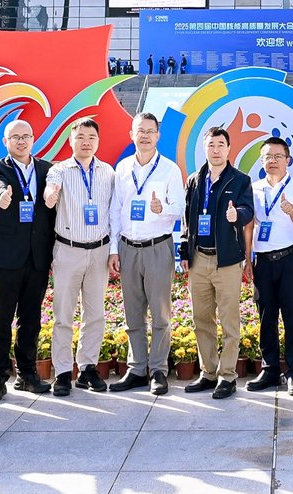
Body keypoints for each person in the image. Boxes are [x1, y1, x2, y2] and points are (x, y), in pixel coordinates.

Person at [108, 112, 185, 395]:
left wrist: (161, 209)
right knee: (133, 314)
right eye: (140, 131)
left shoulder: (169, 170)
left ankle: (159, 370)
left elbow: (180, 209)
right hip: (128, 247)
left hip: (157, 248)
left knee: (160, 314)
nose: (145, 136)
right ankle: (137, 369)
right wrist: (114, 249)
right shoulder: (122, 168)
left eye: (150, 131)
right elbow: (115, 210)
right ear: (132, 134)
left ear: (158, 136)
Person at [0, 119, 55, 401]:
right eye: (15, 137)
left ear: (33, 139)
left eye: (26, 136)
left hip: (37, 258)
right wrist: (1, 195)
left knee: (31, 319)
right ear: (5, 142)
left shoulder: (46, 169)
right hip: (6, 258)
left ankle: (27, 374)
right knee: (1, 319)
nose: (21, 141)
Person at [180, 126, 254, 399]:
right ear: (205, 148)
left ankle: (227, 376)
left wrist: (238, 215)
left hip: (227, 261)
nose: (216, 149)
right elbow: (188, 218)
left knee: (229, 321)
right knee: (202, 319)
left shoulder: (240, 180)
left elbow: (248, 210)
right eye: (211, 145)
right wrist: (185, 252)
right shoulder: (194, 180)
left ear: (229, 148)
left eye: (221, 144)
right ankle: (208, 372)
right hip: (199, 258)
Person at [44, 119, 115, 396]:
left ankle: (87, 368)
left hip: (99, 251)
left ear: (98, 141)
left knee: (95, 314)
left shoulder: (107, 172)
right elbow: (50, 192)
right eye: (80, 137)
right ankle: (62, 371)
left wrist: (113, 251)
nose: (86, 142)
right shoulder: (59, 170)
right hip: (68, 249)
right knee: (63, 314)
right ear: (71, 141)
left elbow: (114, 212)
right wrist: (51, 195)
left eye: (91, 137)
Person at [248, 136, 293, 396]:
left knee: (292, 317)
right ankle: (270, 369)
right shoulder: (254, 188)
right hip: (263, 260)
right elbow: (249, 225)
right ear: (261, 161)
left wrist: (290, 209)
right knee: (266, 317)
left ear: (288, 159)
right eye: (267, 157)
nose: (272, 161)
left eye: (277, 156)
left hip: (290, 259)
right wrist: (247, 258)